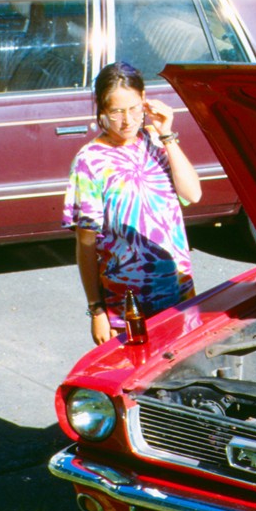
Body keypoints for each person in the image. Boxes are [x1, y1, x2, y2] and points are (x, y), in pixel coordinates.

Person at [63, 61, 201, 345]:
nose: (127, 121)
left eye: (134, 109)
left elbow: (193, 193)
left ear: (145, 101)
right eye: (116, 112)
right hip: (126, 307)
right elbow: (86, 242)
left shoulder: (156, 140)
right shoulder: (90, 161)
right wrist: (96, 309)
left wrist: (167, 135)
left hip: (179, 293)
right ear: (101, 110)